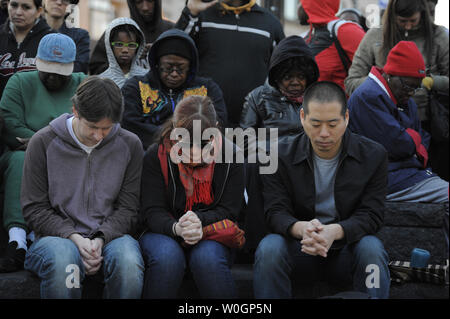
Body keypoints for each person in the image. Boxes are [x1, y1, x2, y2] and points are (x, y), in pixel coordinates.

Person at [253, 81, 391, 299]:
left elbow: (372, 215)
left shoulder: (373, 156)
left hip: (346, 248)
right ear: (302, 118)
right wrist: (304, 229)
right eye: (315, 124)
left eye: (333, 124)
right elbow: (275, 212)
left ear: (346, 118)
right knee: (270, 247)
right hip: (301, 247)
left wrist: (334, 232)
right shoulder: (278, 155)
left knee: (371, 249)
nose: (324, 133)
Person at [21, 76, 144, 299]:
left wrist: (99, 239)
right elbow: (34, 209)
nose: (98, 136)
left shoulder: (130, 145)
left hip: (110, 237)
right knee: (64, 261)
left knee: (128, 262)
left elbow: (128, 209)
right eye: (92, 127)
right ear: (75, 111)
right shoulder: (43, 142)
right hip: (55, 239)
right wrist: (73, 237)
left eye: (107, 128)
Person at [139, 95, 244, 298]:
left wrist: (199, 221)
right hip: (164, 230)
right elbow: (151, 210)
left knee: (207, 259)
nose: (195, 152)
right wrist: (177, 228)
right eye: (186, 143)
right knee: (168, 257)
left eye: (203, 143)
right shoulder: (156, 155)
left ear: (215, 129)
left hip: (213, 231)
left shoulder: (232, 156)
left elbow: (230, 209)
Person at [347, 41, 449, 251]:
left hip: (406, 173)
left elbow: (421, 138)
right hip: (386, 179)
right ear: (390, 75)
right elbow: (398, 144)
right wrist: (411, 140)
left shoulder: (404, 99)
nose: (412, 93)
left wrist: (410, 139)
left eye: (417, 87)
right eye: (408, 85)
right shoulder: (368, 96)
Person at [0, 33, 85, 273]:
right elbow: (9, 124)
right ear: (37, 62)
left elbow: (87, 126)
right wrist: (56, 140)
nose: (52, 76)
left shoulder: (83, 83)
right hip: (21, 155)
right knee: (21, 158)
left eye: (60, 70)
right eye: (47, 68)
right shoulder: (19, 81)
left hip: (72, 158)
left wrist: (39, 141)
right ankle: (17, 239)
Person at [239, 35, 319, 252]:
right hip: (269, 159)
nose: (295, 82)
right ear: (277, 76)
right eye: (288, 77)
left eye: (301, 77)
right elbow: (244, 137)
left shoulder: (318, 98)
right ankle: (255, 243)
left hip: (307, 158)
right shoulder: (258, 97)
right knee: (254, 164)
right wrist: (273, 150)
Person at [176, 0, 285, 127]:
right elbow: (173, 49)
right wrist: (190, 12)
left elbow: (283, 73)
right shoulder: (201, 15)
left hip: (254, 126)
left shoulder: (271, 23)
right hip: (204, 122)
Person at [121, 28, 227, 150]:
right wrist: (174, 138)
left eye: (181, 68)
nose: (174, 74)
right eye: (168, 67)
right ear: (157, 64)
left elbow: (219, 123)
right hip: (148, 154)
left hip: (196, 153)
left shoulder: (207, 89)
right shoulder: (135, 87)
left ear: (190, 67)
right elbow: (129, 125)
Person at [345, 0, 448, 121]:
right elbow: (351, 82)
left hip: (428, 118)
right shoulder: (375, 36)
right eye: (402, 21)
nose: (408, 26)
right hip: (381, 117)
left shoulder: (438, 36)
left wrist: (429, 82)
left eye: (413, 20)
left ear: (422, 14)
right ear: (392, 16)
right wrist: (382, 83)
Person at [89, 0, 174, 75]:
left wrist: (161, 53)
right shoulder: (117, 30)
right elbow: (96, 70)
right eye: (139, 2)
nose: (145, 7)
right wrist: (128, 59)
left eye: (150, 1)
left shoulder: (172, 31)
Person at [300, 0, 365, 91]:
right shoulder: (305, 37)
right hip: (309, 102)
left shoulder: (346, 30)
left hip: (340, 102)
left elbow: (372, 75)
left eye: (302, 3)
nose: (299, 7)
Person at [0, 0, 52, 97]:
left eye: (26, 7)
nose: (18, 12)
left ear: (38, 11)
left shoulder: (51, 40)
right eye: (14, 5)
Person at [42, 0, 90, 74]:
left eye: (65, 0)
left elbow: (79, 70)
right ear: (43, 2)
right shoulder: (29, 31)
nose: (58, 2)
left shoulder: (80, 36)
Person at [98, 17, 148, 88]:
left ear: (138, 47)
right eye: (119, 44)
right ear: (110, 46)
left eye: (131, 45)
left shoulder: (147, 78)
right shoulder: (101, 81)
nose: (125, 50)